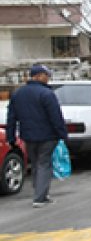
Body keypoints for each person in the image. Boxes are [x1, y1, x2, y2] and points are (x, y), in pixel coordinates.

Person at [5, 64, 68, 208]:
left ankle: (40, 193)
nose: (48, 79)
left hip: (28, 136)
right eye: (47, 75)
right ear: (39, 76)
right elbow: (55, 117)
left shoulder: (18, 94)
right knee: (44, 164)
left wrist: (11, 138)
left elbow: (11, 118)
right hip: (47, 136)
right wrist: (62, 134)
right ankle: (40, 198)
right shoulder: (47, 94)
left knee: (35, 164)